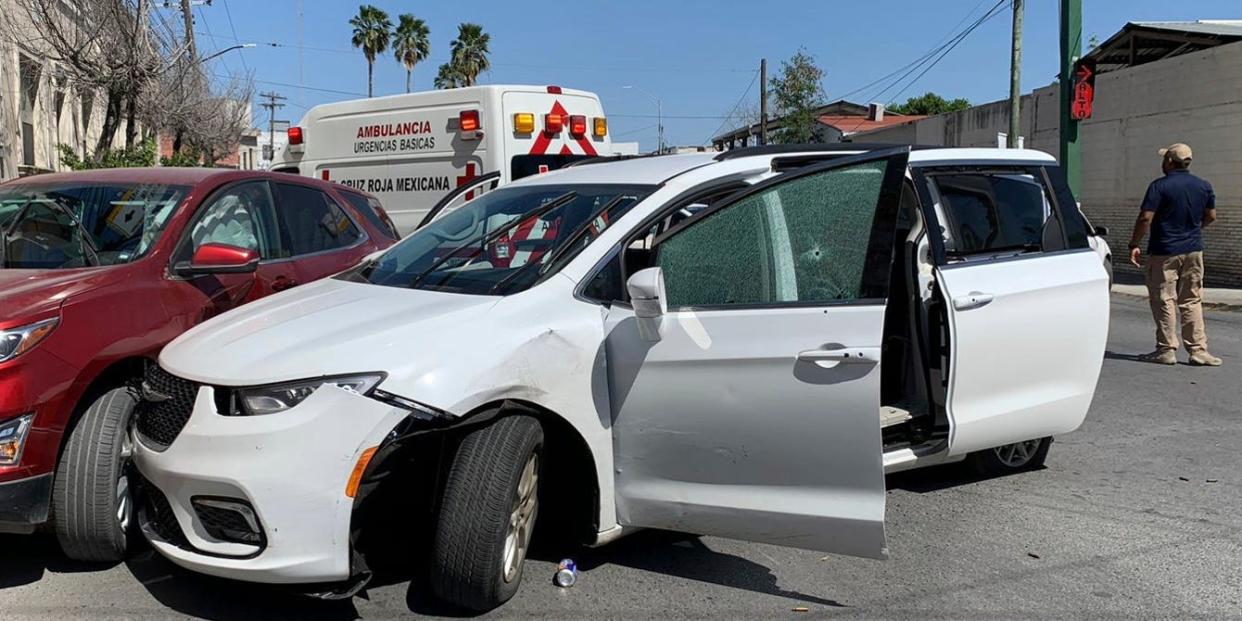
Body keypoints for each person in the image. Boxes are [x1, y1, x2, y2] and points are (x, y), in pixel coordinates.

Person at [1127, 143, 1221, 366]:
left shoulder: (1159, 187)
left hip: (1165, 251)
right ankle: (1198, 349)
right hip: (1194, 250)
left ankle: (1166, 349)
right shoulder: (1203, 186)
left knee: (1164, 298)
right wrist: (1194, 231)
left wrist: (1134, 243)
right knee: (1192, 299)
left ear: (1169, 161)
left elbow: (1145, 218)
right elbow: (1211, 216)